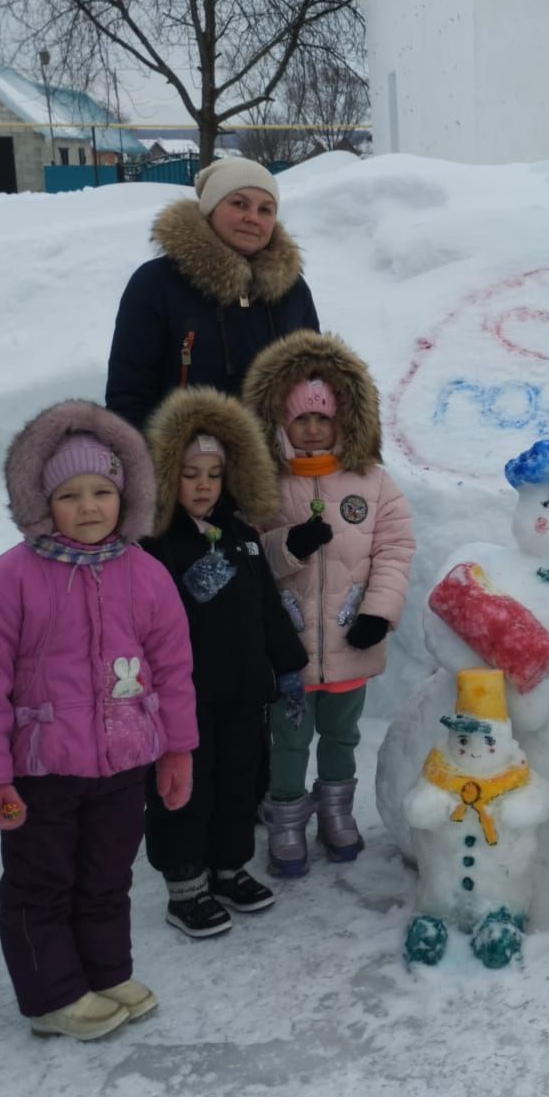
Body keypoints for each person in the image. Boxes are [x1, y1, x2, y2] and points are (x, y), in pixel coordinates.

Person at [0, 401, 196, 1040]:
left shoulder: (146, 575)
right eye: (69, 494)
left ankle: (105, 972)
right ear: (41, 500)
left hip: (122, 763)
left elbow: (172, 671)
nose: (89, 507)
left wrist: (176, 752)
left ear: (126, 495)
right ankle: (51, 996)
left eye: (102, 491)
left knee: (108, 876)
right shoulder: (8, 581)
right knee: (41, 880)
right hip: (41, 771)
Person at [242, 330, 415, 876]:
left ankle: (337, 813)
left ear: (345, 422)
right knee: (289, 740)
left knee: (342, 735)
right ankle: (288, 819)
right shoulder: (266, 484)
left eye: (324, 418)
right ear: (280, 425)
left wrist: (378, 613)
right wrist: (288, 545)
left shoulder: (373, 482)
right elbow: (251, 554)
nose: (313, 429)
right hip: (289, 650)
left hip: (349, 639)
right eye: (301, 419)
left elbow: (394, 548)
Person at [141, 386, 309, 937]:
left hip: (242, 689)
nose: (203, 486)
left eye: (213, 474)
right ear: (169, 475)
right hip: (182, 697)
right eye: (191, 474)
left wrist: (286, 664)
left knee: (240, 779)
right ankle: (185, 884)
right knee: (187, 789)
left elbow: (266, 605)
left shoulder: (240, 535)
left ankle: (228, 867)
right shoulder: (155, 545)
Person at [105, 157, 319, 431]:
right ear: (210, 209)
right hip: (188, 468)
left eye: (265, 210)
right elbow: (129, 398)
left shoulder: (291, 290)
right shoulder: (156, 284)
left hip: (279, 468)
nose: (252, 218)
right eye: (239, 204)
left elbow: (316, 383)